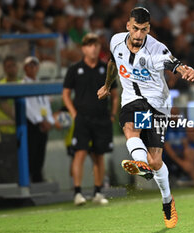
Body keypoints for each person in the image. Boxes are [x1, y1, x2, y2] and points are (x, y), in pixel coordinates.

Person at [97, 7, 194, 228]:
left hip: (158, 105)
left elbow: (174, 63)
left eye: (143, 30)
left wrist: (186, 70)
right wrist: (107, 85)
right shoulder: (115, 41)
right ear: (128, 26)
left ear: (148, 28)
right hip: (132, 100)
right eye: (135, 29)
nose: (139, 35)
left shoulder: (157, 49)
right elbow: (113, 62)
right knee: (131, 129)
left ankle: (167, 200)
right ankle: (140, 164)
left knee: (156, 161)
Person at [63, 33, 118, 206]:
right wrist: (73, 113)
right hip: (83, 118)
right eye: (89, 45)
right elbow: (65, 94)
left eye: (95, 45)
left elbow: (115, 95)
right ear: (83, 48)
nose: (93, 48)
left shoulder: (106, 68)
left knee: (99, 155)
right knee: (79, 153)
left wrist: (112, 114)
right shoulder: (74, 69)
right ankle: (78, 192)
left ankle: (98, 191)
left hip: (101, 118)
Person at [23, 56, 55, 183]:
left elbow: (45, 104)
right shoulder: (23, 85)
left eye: (35, 65)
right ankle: (31, 178)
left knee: (40, 152)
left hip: (43, 123)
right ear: (25, 68)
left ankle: (37, 177)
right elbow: (27, 106)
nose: (33, 68)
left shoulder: (40, 83)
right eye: (30, 66)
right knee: (32, 152)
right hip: (32, 124)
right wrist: (41, 121)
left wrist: (49, 120)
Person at [0, 56, 19, 142]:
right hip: (6, 130)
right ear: (4, 69)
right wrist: (19, 118)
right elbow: (3, 105)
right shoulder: (0, 85)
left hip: (21, 129)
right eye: (9, 66)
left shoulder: (23, 83)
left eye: (13, 65)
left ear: (17, 67)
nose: (12, 68)